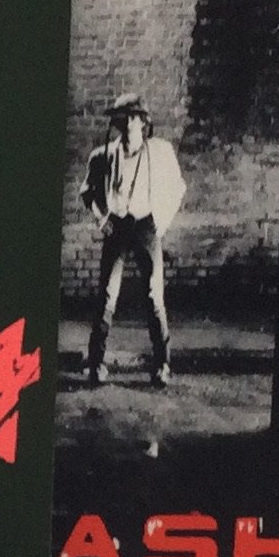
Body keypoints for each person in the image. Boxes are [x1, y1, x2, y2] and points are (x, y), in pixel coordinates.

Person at [81, 95, 187, 388]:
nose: (127, 122)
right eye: (122, 117)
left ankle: (162, 364)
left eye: (133, 116)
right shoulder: (103, 155)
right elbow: (87, 192)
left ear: (143, 121)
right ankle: (96, 363)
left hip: (146, 225)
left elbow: (178, 188)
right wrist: (102, 219)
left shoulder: (160, 152)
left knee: (154, 295)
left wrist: (161, 222)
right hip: (117, 225)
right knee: (107, 294)